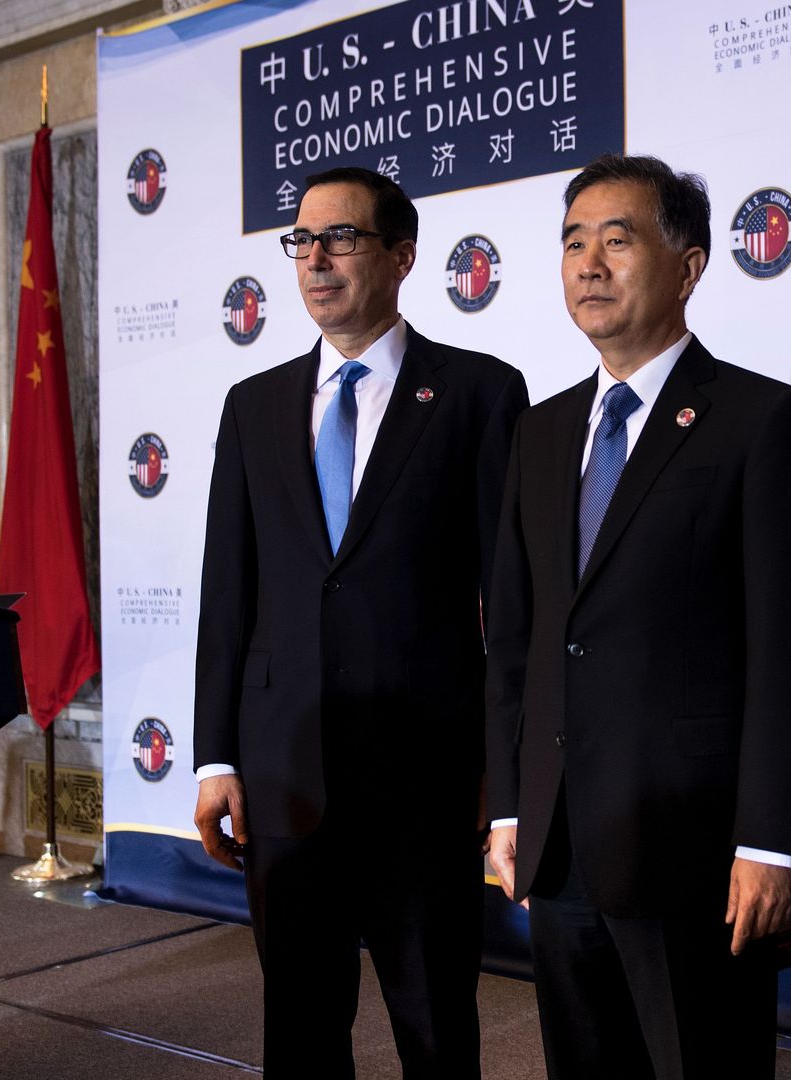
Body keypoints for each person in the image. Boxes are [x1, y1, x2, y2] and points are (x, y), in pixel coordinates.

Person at [483, 153, 791, 1079]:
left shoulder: (762, 421)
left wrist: (771, 842)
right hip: (560, 850)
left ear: (688, 265)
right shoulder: (543, 429)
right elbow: (518, 641)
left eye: (616, 238)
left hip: (700, 856)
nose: (588, 264)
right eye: (572, 242)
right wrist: (509, 807)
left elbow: (790, 652)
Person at [193, 165, 529, 1078]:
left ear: (402, 255)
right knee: (298, 1028)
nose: (316, 259)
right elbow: (230, 589)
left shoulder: (478, 394)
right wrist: (217, 756)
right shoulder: (253, 405)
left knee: (436, 1024)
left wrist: (507, 780)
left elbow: (514, 604)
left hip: (423, 775)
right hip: (283, 773)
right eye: (302, 241)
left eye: (341, 238)